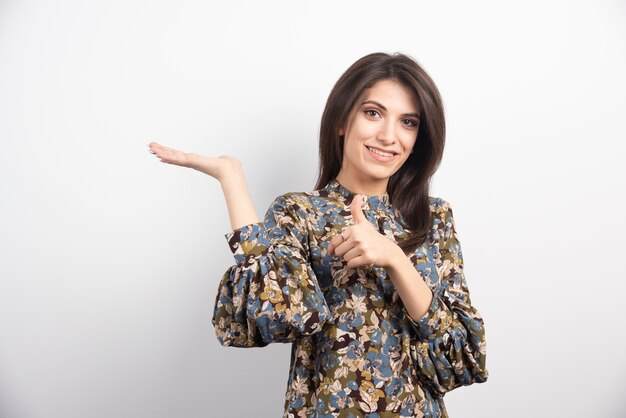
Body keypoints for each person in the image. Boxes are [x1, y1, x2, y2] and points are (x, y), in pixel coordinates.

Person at [148, 52, 488, 417]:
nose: (389, 136)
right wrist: (232, 180)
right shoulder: (300, 212)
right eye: (373, 113)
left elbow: (462, 360)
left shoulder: (433, 218)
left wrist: (394, 259)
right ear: (343, 120)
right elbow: (277, 314)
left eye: (408, 122)